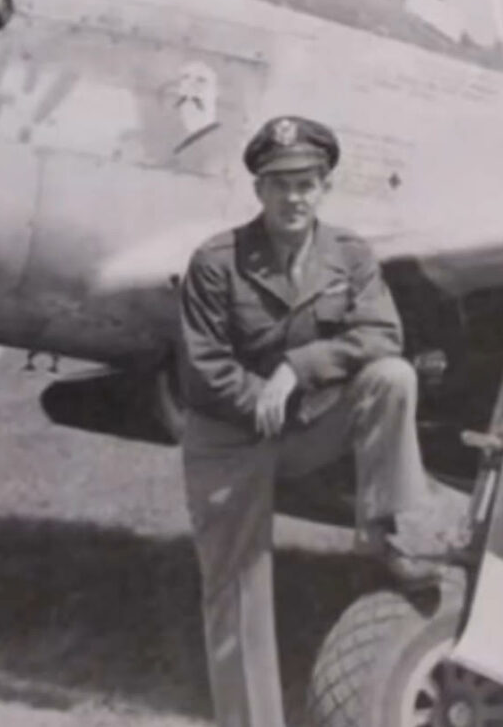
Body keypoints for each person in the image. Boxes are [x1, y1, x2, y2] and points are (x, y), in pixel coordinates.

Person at [178, 115, 460, 727]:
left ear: (325, 188)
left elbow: (383, 335)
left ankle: (383, 534)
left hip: (303, 423)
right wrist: (264, 394)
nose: (294, 198)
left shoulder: (349, 256)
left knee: (392, 378)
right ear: (258, 190)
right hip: (228, 440)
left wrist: (297, 369)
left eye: (306, 183)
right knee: (237, 591)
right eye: (280, 184)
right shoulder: (216, 262)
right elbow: (203, 370)